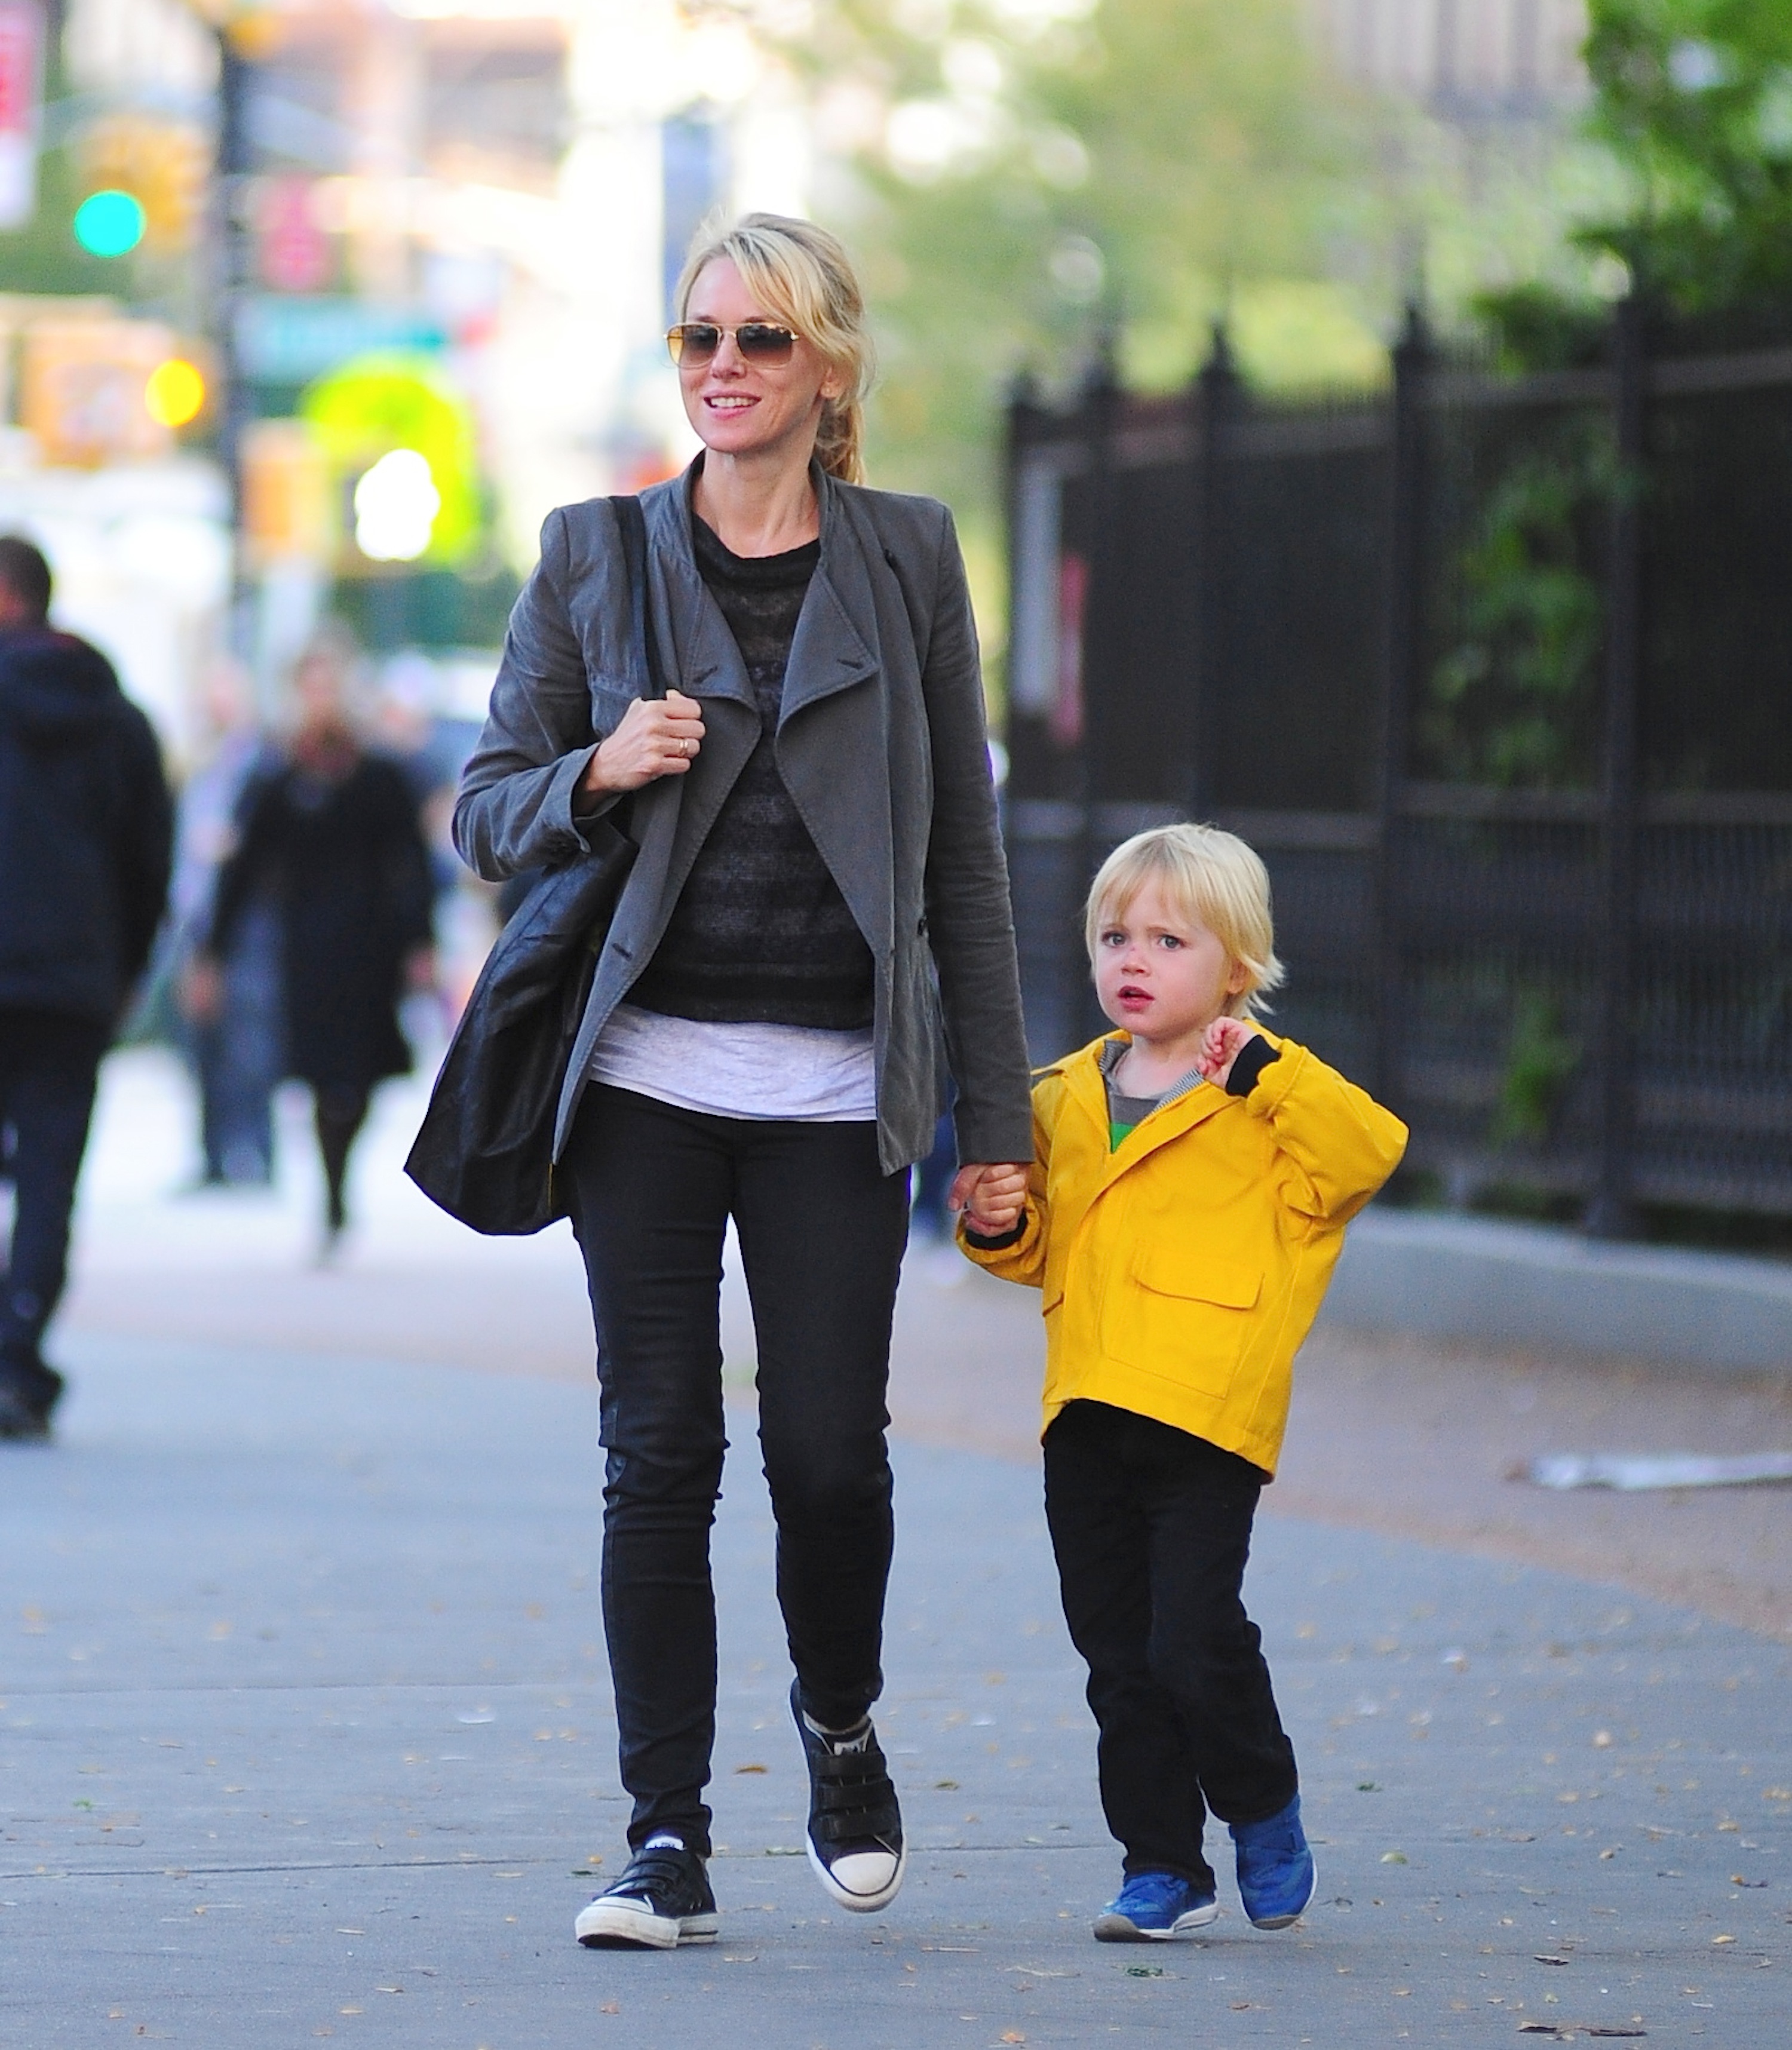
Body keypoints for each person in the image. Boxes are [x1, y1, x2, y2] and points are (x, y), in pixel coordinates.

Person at [453, 213, 1033, 1951]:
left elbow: (967, 872)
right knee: (660, 1446)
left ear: (830, 368)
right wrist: (598, 770)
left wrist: (993, 1133)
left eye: (763, 339)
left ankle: (840, 1719)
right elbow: (486, 807)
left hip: (835, 1090)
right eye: (701, 334)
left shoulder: (910, 558)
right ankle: (664, 1835)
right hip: (638, 1075)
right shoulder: (592, 553)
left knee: (833, 1454)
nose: (725, 364)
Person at [961, 824, 1407, 1942]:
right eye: (1116, 934)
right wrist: (995, 1223)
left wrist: (1270, 1074)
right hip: (1089, 1412)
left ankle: (1260, 1802)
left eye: (1169, 938)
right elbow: (1039, 1242)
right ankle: (1161, 1862)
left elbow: (1367, 1156)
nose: (1134, 957)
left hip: (1207, 1413)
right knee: (1116, 1652)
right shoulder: (1063, 1093)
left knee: (1193, 1635)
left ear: (1237, 970)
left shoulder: (1269, 1098)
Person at [0, 535, 173, 1438]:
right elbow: (151, 861)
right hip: (73, 983)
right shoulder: (116, 717)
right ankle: (18, 1362)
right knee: (48, 1180)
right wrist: (124, 969)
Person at [191, 632, 434, 1256]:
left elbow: (410, 864)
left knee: (363, 1075)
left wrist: (421, 943)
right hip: (306, 950)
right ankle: (330, 1191)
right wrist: (212, 954)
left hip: (371, 949)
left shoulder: (381, 774)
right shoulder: (276, 775)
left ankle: (338, 1178)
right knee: (321, 1075)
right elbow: (240, 871)